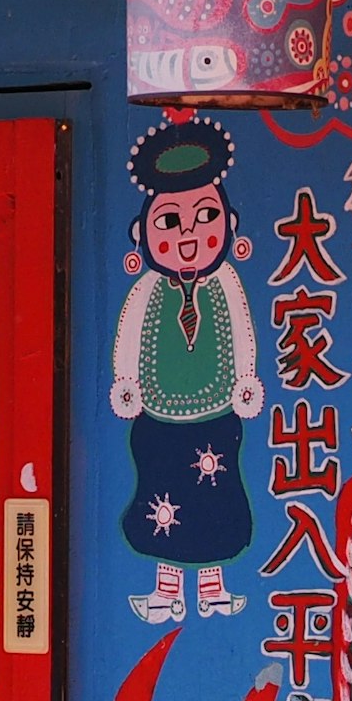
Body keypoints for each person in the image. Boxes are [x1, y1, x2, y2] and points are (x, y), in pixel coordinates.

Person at [109, 115, 264, 627]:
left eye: (205, 217)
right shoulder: (147, 293)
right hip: (158, 420)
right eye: (170, 222)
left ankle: (214, 587)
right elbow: (129, 336)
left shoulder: (226, 287)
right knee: (160, 499)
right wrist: (126, 384)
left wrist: (245, 382)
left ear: (229, 225)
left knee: (217, 498)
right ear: (143, 233)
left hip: (216, 415)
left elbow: (243, 335)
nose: (189, 236)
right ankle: (167, 589)